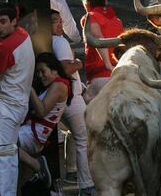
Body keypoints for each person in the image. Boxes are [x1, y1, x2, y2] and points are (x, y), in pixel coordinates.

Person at [0, 3, 35, 196]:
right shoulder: (23, 34)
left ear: (14, 21)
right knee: (9, 156)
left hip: (5, 108)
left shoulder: (5, 47)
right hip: (18, 105)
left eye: (3, 22)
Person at [51, 11, 97, 195]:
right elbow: (66, 68)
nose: (60, 26)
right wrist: (78, 63)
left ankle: (65, 178)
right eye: (55, 22)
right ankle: (86, 186)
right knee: (83, 139)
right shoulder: (60, 42)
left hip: (52, 98)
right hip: (70, 97)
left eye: (61, 22)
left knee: (46, 140)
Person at [18, 52, 71, 189]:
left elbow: (41, 111)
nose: (40, 75)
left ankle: (37, 165)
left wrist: (30, 89)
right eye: (38, 72)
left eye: (43, 71)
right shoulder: (52, 86)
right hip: (31, 132)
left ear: (54, 70)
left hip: (33, 134)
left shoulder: (59, 86)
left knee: (4, 143)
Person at [80, 0, 124, 103]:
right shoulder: (117, 20)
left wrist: (108, 64)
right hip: (118, 75)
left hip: (101, 76)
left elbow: (98, 37)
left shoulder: (90, 16)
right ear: (105, 2)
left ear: (87, 5)